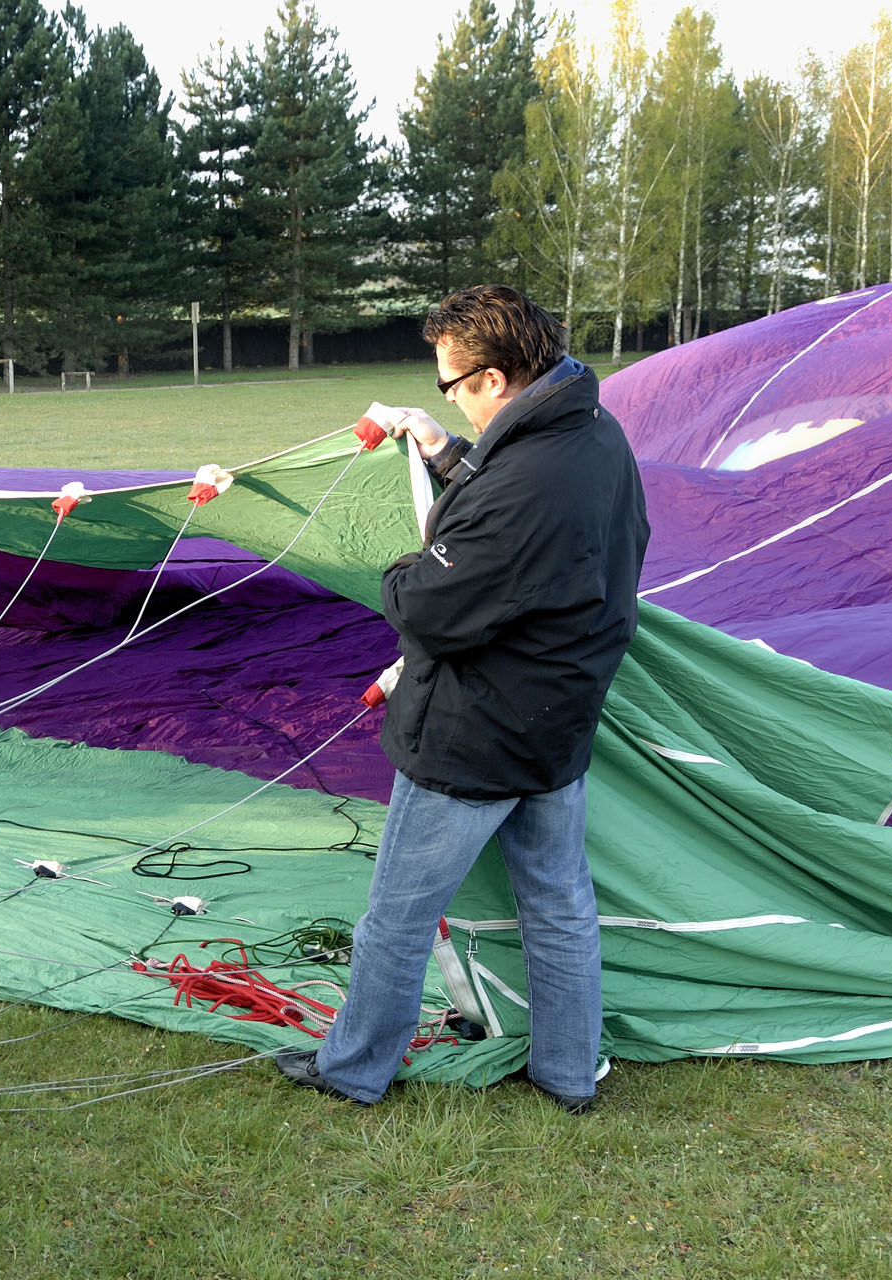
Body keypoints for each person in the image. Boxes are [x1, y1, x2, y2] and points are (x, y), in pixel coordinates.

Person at [277, 285, 650, 1111]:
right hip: (558, 723)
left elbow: (430, 607)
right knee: (558, 906)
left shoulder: (528, 484)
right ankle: (568, 1072)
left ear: (495, 378)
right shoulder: (592, 432)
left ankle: (353, 1069)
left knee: (396, 919)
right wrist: (447, 455)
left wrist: (398, 565)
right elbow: (524, 539)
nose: (448, 399)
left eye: (451, 386)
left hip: (474, 735)